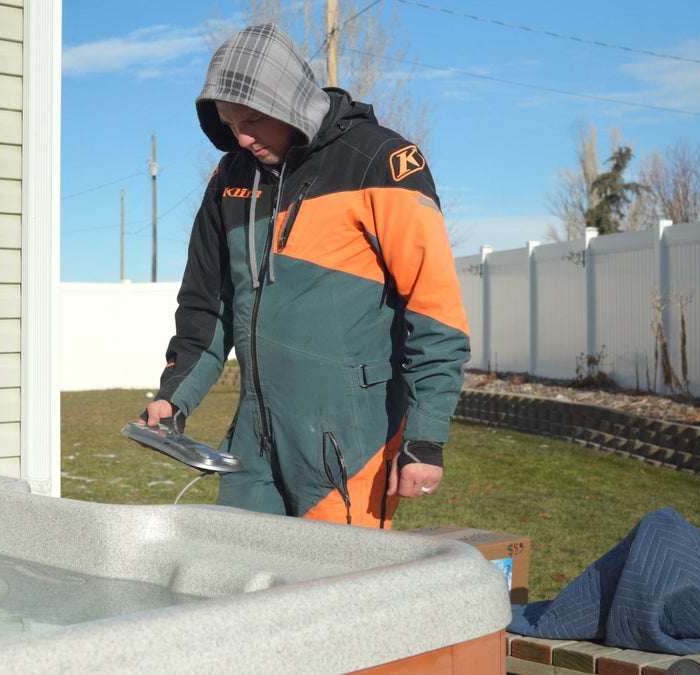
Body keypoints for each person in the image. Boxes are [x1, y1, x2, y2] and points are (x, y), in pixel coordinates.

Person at [139, 23, 469, 528]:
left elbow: (435, 312)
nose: (242, 138)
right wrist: (173, 396)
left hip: (348, 443)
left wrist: (425, 437)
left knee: (331, 597)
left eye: (251, 119)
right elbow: (208, 308)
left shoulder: (381, 164)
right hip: (252, 441)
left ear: (290, 101)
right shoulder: (229, 181)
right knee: (233, 583)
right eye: (230, 124)